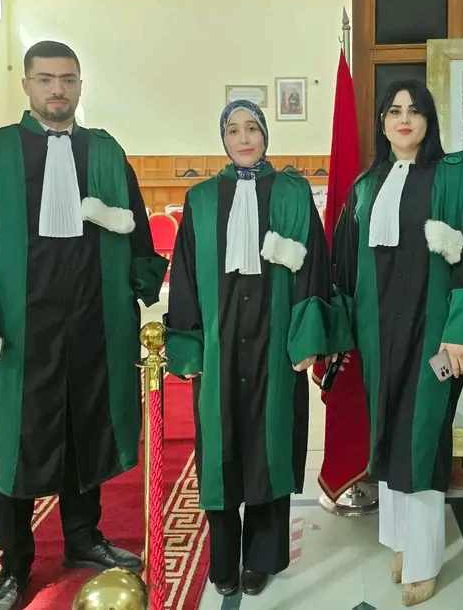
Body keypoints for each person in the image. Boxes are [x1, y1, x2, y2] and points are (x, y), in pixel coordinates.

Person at [0, 40, 168, 610]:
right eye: (46, 79)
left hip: (93, 319)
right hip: (18, 326)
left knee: (86, 426)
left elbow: (135, 227)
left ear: (80, 85)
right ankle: (13, 563)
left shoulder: (105, 151)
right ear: (27, 85)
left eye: (68, 79)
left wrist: (141, 288)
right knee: (16, 440)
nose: (58, 90)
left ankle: (83, 538)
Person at [332, 79, 463, 606]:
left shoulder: (453, 175)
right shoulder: (367, 185)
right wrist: (338, 333)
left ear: (429, 120)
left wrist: (461, 330)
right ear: (382, 122)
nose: (403, 119)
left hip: (434, 329)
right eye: (393, 111)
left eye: (414, 110)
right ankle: (401, 542)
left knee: (423, 437)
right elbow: (344, 263)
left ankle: (423, 561)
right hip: (378, 331)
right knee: (388, 433)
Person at [163, 100, 341, 598]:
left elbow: (314, 266)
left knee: (271, 442)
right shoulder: (201, 199)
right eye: (233, 130)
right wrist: (189, 345)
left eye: (252, 129)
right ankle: (224, 558)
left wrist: (307, 338)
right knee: (219, 447)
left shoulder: (291, 192)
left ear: (265, 134)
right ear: (222, 138)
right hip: (219, 342)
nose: (244, 139)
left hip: (275, 337)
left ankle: (262, 557)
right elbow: (185, 276)